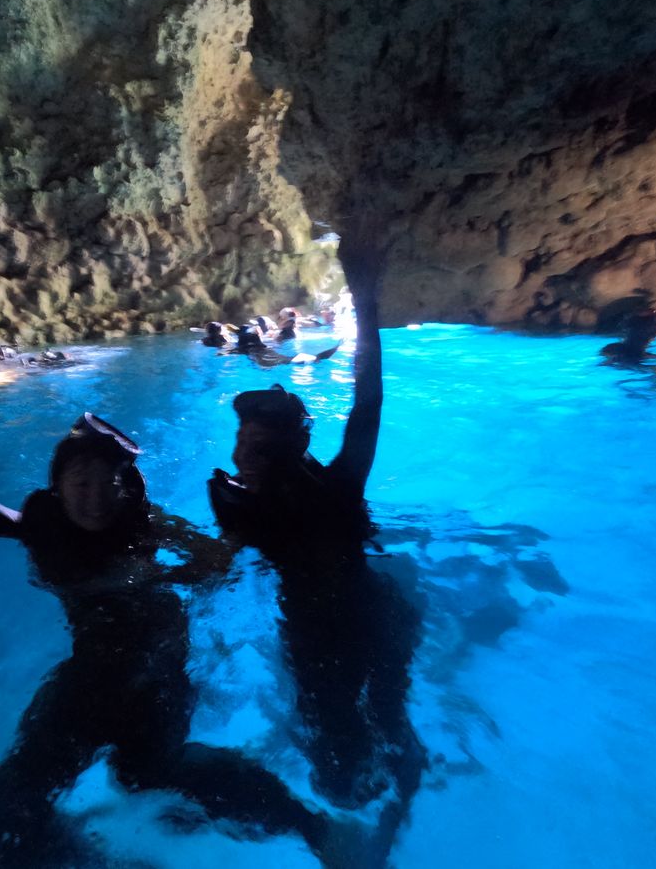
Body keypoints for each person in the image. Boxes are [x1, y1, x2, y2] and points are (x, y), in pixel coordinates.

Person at [0, 339, 343, 868]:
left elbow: (215, 562)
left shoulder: (145, 524)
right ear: (59, 486)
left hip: (158, 669)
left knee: (146, 776)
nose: (94, 496)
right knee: (4, 814)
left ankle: (314, 827)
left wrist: (157, 574)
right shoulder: (43, 527)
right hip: (92, 671)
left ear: (124, 488)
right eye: (81, 482)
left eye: (107, 483)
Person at [207, 228, 424, 864]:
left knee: (373, 738)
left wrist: (367, 304)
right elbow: (219, 563)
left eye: (253, 447)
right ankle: (378, 832)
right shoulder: (256, 502)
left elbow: (368, 404)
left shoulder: (333, 487)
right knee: (354, 754)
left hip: (355, 625)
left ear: (288, 449)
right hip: (343, 624)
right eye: (240, 443)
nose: (239, 456)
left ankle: (387, 833)